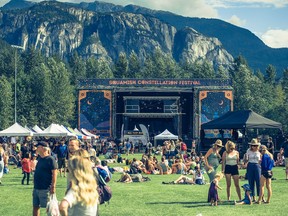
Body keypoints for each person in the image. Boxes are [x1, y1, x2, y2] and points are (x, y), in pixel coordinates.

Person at [33, 141, 58, 216]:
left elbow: (54, 173)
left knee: (49, 208)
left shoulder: (50, 159)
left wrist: (53, 186)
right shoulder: (40, 159)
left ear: (43, 148)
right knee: (35, 207)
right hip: (37, 187)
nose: (36, 148)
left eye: (38, 147)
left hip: (46, 188)